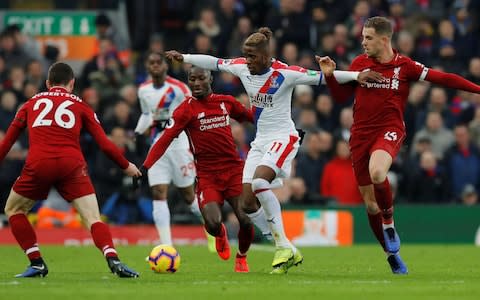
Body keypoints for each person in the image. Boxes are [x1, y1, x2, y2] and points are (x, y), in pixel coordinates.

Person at [165, 27, 381, 274]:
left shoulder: (286, 73)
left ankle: (283, 246)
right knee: (247, 202)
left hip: (283, 137)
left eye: (252, 57)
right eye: (245, 56)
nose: (247, 61)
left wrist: (356, 76)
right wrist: (186, 58)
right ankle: (285, 246)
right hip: (260, 141)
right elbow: (214, 62)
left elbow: (321, 76)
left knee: (258, 182)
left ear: (266, 56)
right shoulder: (242, 68)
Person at [318, 16, 480, 275]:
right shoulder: (360, 64)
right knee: (370, 205)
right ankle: (390, 255)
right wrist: (329, 77)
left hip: (389, 130)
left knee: (378, 172)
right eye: (362, 37)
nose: (363, 42)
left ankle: (389, 221)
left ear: (384, 39)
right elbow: (340, 97)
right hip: (360, 135)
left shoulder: (404, 66)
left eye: (368, 38)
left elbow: (444, 78)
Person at [0, 62, 141, 278]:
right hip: (71, 165)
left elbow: (7, 142)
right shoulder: (82, 105)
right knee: (93, 218)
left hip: (39, 164)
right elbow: (104, 143)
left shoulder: (30, 104)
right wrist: (127, 166)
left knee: (14, 210)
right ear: (72, 83)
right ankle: (113, 258)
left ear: (48, 84)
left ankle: (36, 262)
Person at [143, 66, 255, 273]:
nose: (195, 83)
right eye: (191, 79)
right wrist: (146, 166)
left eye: (200, 78)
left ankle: (241, 257)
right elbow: (164, 139)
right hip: (208, 175)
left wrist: (282, 130)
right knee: (213, 223)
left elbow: (251, 118)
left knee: (246, 220)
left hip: (234, 171)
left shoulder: (226, 102)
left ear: (210, 78)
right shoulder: (185, 110)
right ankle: (219, 234)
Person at [134, 52, 200, 246]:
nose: (155, 66)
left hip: (179, 144)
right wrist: (137, 132)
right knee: (158, 192)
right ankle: (167, 246)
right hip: (157, 145)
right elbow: (147, 114)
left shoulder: (179, 89)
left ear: (165, 66)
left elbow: (193, 110)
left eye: (158, 63)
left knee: (189, 196)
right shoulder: (143, 90)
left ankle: (211, 229)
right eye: (151, 63)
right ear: (147, 67)